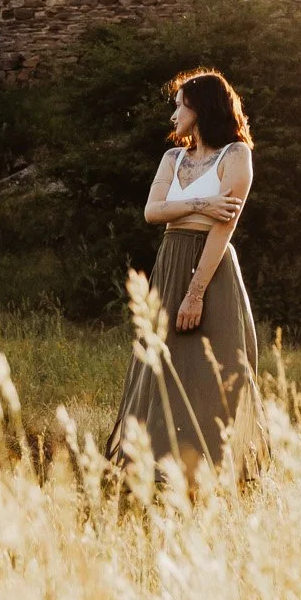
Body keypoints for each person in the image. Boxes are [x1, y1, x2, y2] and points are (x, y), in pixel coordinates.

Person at [105, 67, 263, 473]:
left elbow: (223, 228)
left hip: (211, 266)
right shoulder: (172, 158)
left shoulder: (236, 155)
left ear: (202, 108)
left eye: (180, 106)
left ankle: (214, 468)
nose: (174, 114)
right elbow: (152, 212)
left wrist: (195, 293)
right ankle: (154, 466)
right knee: (162, 365)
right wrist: (200, 204)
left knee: (215, 368)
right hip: (171, 261)